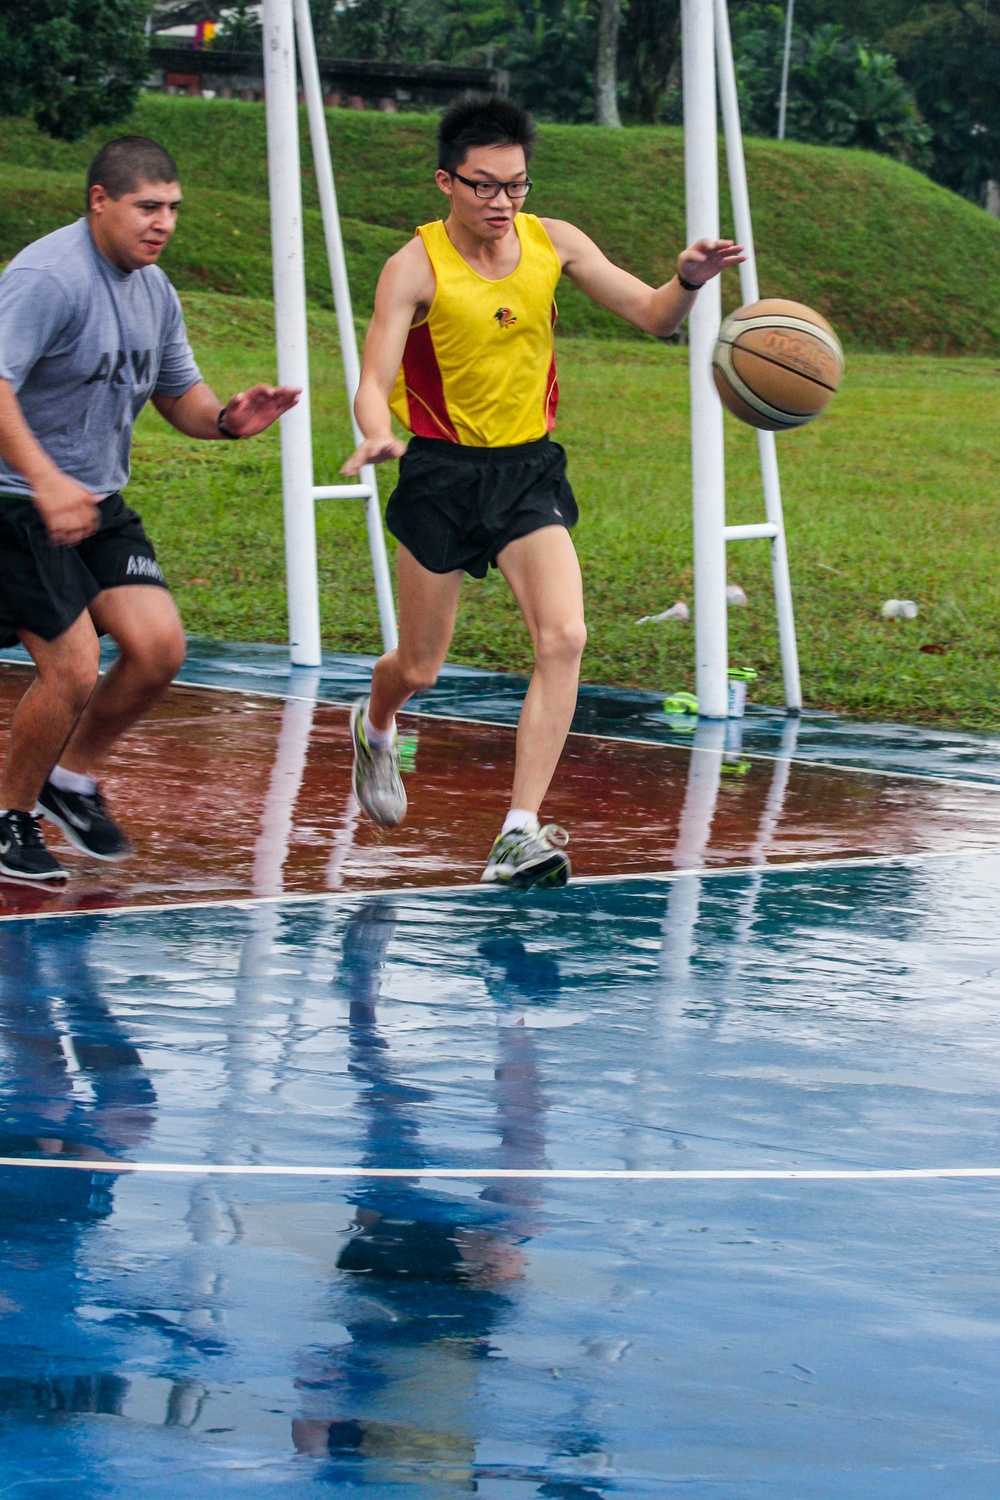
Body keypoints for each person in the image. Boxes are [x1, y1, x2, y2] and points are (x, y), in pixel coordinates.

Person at [342, 94, 743, 889]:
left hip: (528, 472)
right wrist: (375, 431)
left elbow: (654, 314)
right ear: (445, 182)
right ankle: (376, 720)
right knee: (420, 666)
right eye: (484, 185)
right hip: (439, 473)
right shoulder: (414, 266)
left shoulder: (552, 243)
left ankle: (518, 831)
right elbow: (372, 379)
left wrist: (688, 279)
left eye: (516, 186)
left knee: (564, 637)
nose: (501, 202)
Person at [0, 135, 298, 884]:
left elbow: (178, 395)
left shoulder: (153, 290)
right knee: (69, 669)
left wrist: (229, 420)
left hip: (93, 501)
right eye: (147, 207)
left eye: (172, 209)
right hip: (13, 499)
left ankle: (69, 779)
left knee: (158, 647)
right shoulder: (47, 277)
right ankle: (10, 818)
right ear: (100, 201)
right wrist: (45, 480)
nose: (162, 223)